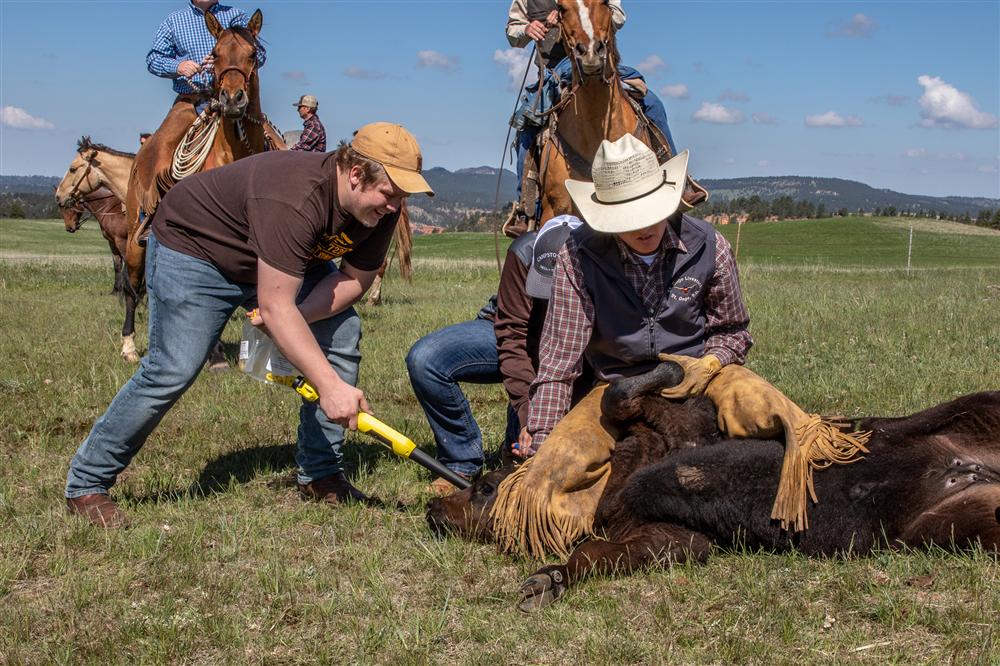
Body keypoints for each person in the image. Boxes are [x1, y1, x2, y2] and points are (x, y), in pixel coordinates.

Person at [64, 122, 434, 528]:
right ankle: (87, 482)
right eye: (389, 193)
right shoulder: (297, 196)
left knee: (341, 329)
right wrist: (329, 387)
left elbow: (353, 282)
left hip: (282, 261)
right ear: (356, 174)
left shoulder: (378, 212)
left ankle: (321, 473)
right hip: (198, 250)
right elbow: (276, 306)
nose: (394, 207)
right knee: (173, 367)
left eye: (401, 195)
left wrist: (301, 317)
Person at [524, 134, 752, 454]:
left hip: (702, 377)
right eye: (629, 219)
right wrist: (542, 441)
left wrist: (712, 363)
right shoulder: (577, 256)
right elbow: (560, 361)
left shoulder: (711, 247)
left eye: (650, 212)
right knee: (564, 463)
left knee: (765, 412)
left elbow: (732, 331)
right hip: (615, 390)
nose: (644, 227)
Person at [406, 216, 590, 494]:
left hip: (570, 349)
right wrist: (529, 416)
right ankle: (461, 460)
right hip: (515, 335)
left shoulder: (597, 260)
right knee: (426, 360)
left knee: (527, 462)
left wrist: (545, 425)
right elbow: (512, 336)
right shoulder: (524, 253)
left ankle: (515, 453)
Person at [505, 0, 677, 213]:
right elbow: (513, 32)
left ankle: (676, 180)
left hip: (600, 58)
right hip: (555, 71)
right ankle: (527, 206)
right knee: (528, 125)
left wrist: (574, 17)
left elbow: (618, 17)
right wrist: (527, 28)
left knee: (653, 104)